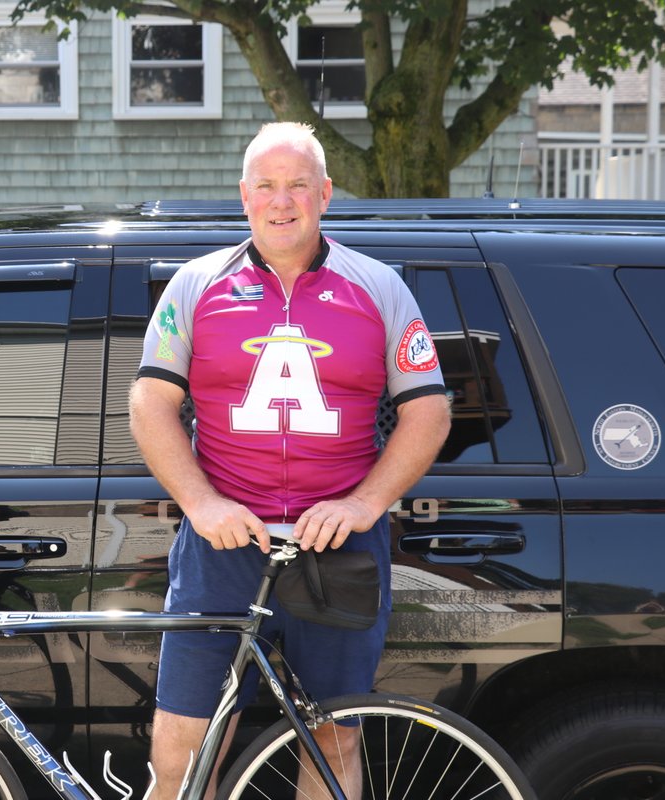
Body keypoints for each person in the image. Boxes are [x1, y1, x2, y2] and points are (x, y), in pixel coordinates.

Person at [129, 122, 451, 799]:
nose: (283, 202)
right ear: (244, 197)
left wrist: (364, 504)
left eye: (298, 185)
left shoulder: (380, 286)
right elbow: (150, 404)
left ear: (325, 194)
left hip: (337, 548)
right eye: (267, 186)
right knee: (182, 751)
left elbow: (429, 411)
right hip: (222, 548)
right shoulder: (194, 285)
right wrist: (201, 502)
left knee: (333, 740)